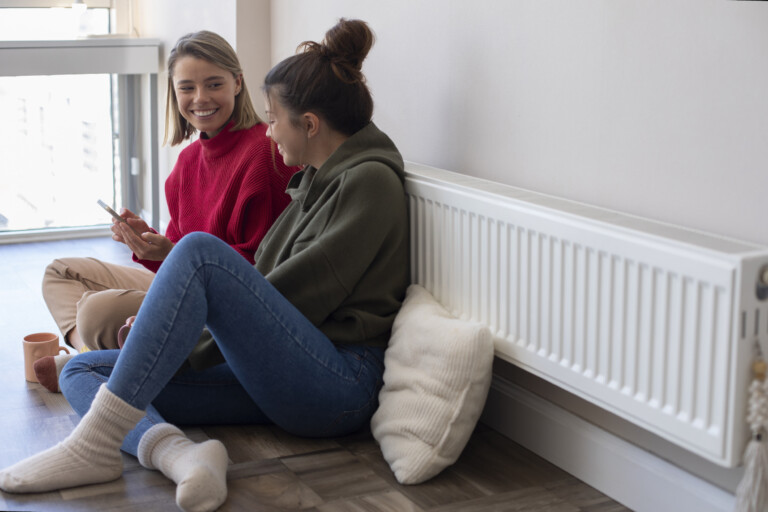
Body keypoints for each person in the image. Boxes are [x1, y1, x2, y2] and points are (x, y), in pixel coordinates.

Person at [0, 18, 409, 512]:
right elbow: (267, 294)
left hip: (336, 384)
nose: (269, 129)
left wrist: (181, 344)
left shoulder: (368, 183)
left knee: (196, 250)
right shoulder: (316, 180)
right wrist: (164, 337)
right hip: (278, 371)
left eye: (273, 117)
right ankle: (183, 458)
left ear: (310, 124)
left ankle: (93, 444)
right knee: (82, 371)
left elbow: (297, 299)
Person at [40, 30, 298, 357]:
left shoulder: (266, 153)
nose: (200, 98)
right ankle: (89, 355)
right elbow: (173, 260)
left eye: (214, 84)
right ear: (174, 93)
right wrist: (148, 242)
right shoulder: (186, 164)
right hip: (184, 287)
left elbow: (265, 270)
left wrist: (171, 252)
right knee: (59, 272)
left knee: (95, 312)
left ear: (237, 83)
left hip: (228, 304)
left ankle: (97, 359)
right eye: (187, 87)